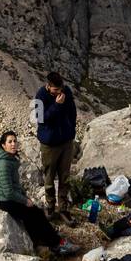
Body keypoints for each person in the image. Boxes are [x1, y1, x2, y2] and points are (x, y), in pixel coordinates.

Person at [0, 131, 78, 256]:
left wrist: (24, 196)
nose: (13, 144)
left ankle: (40, 240)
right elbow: (8, 192)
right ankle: (57, 244)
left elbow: (14, 185)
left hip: (7, 197)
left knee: (34, 213)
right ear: (3, 145)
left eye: (15, 141)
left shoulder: (8, 159)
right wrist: (24, 200)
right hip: (5, 200)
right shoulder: (4, 164)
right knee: (36, 214)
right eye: (10, 142)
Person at [33, 71, 77, 215]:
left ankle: (63, 207)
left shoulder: (66, 91)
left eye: (60, 88)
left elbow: (72, 111)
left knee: (65, 176)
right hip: (50, 144)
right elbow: (40, 119)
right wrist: (56, 106)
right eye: (55, 90)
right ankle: (50, 205)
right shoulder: (40, 96)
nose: (59, 92)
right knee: (50, 176)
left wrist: (71, 129)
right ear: (48, 86)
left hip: (66, 141)